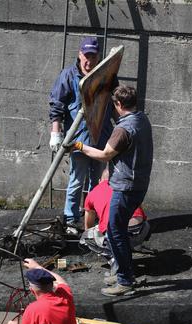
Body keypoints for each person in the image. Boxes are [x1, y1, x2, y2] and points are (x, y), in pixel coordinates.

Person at [73, 85, 153, 297]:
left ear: (118, 105)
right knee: (117, 231)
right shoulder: (142, 119)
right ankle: (121, 273)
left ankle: (125, 281)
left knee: (115, 231)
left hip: (125, 186)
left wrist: (80, 146)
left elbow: (104, 155)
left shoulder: (123, 129)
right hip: (138, 184)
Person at [49, 36, 115, 235]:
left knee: (98, 183)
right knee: (76, 180)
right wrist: (56, 132)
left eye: (92, 57)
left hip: (102, 139)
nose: (88, 61)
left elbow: (115, 102)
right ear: (79, 54)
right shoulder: (68, 75)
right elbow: (57, 104)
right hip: (78, 138)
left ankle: (94, 219)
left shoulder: (106, 75)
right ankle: (70, 220)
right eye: (85, 56)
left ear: (98, 57)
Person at [81, 166, 150, 265]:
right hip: (142, 231)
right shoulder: (126, 187)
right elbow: (141, 212)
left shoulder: (93, 192)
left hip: (117, 235)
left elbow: (88, 225)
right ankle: (133, 246)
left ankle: (114, 259)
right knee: (141, 223)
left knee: (86, 236)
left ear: (100, 180)